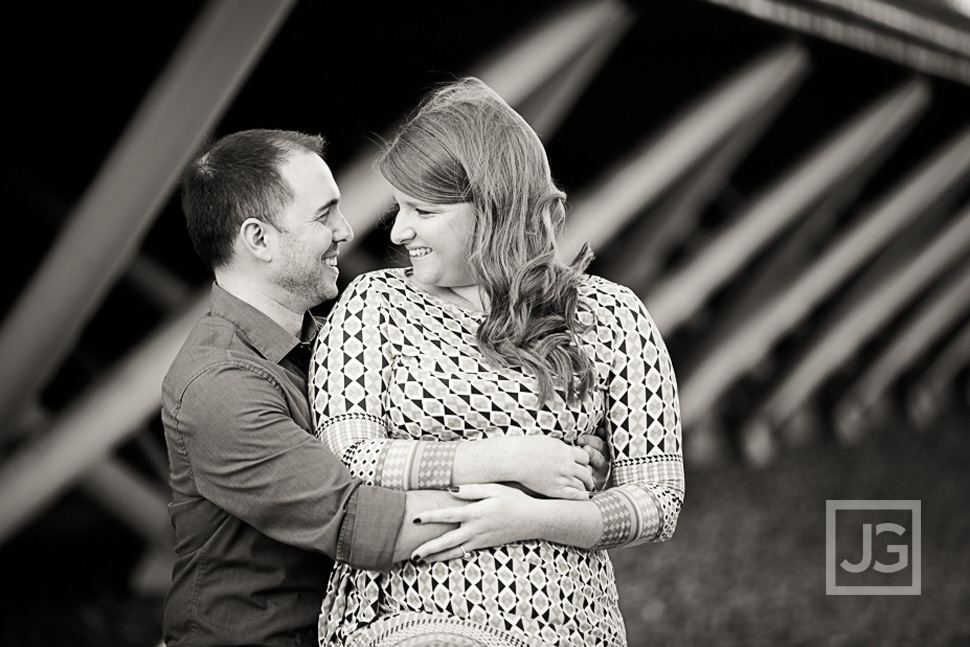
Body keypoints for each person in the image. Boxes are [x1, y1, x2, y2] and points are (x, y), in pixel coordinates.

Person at [161, 128, 609, 647]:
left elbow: (410, 443)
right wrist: (528, 478)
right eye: (324, 214)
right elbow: (358, 520)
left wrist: (560, 456)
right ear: (258, 239)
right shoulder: (217, 386)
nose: (346, 230)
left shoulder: (328, 340)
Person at [310, 78, 685, 647]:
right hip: (407, 620)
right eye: (399, 207)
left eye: (424, 211)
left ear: (492, 210)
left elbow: (659, 499)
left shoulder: (612, 315)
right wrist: (504, 457)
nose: (397, 230)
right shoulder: (374, 304)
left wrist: (535, 518)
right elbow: (350, 459)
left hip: (568, 624)